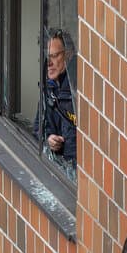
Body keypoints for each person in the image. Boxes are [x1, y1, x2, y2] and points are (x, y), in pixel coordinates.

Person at [36, 28, 77, 179]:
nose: (49, 63)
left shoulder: (77, 88)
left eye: (54, 56)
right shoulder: (49, 84)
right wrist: (49, 139)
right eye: (47, 56)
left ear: (68, 54)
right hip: (59, 167)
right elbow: (38, 127)